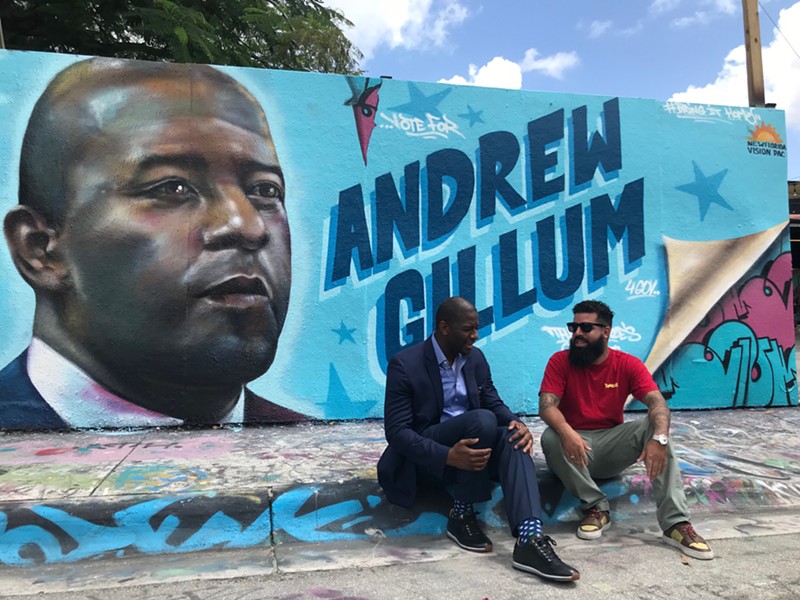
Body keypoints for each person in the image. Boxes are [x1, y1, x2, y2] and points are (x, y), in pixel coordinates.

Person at [0, 57, 304, 429]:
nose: (247, 225)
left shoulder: (317, 453)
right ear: (39, 249)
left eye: (264, 189)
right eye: (171, 187)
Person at [378, 297, 580, 582]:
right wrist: (448, 456)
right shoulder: (405, 364)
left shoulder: (475, 358)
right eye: (468, 329)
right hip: (428, 457)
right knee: (482, 420)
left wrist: (518, 423)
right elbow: (397, 432)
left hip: (473, 447)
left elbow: (493, 402)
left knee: (511, 435)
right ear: (444, 328)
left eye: (477, 328)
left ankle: (530, 539)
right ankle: (462, 513)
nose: (475, 335)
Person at [538, 299, 714, 560]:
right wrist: (566, 431)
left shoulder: (627, 364)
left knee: (653, 425)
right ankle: (597, 508)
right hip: (572, 451)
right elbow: (546, 405)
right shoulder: (560, 361)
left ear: (606, 331)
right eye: (573, 327)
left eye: (586, 328)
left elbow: (657, 403)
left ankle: (675, 524)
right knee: (550, 436)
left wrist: (659, 438)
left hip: (609, 447)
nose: (577, 334)